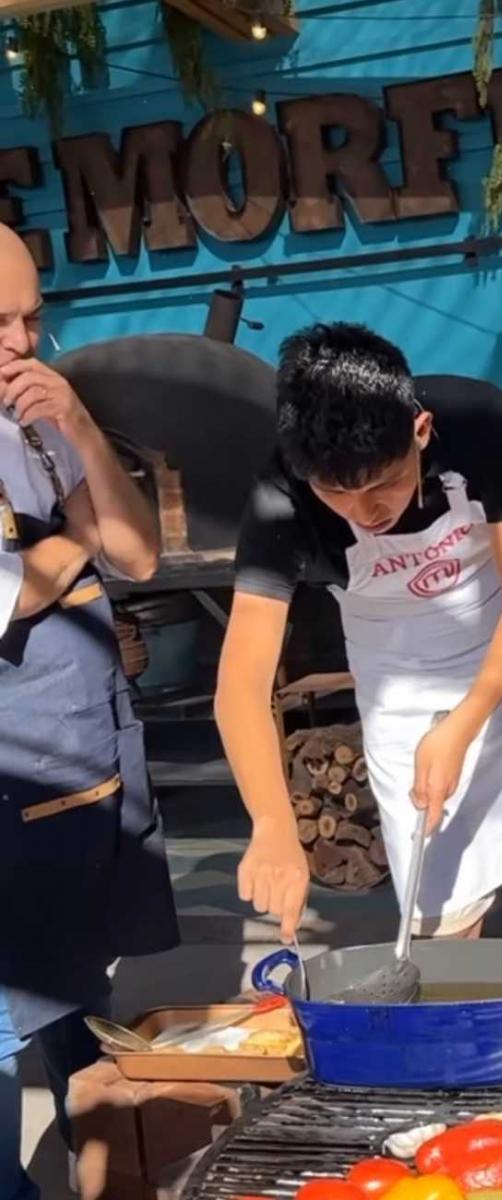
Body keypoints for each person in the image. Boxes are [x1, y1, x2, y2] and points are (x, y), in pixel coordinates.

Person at [216, 323, 502, 949]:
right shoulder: (278, 501)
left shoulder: (481, 421)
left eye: (384, 482)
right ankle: (468, 1046)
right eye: (337, 492)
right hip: (400, 695)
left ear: (419, 430)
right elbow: (241, 685)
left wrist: (467, 718)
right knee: (444, 917)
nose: (367, 511)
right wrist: (272, 824)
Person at [0, 227, 178, 1199]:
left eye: (32, 317)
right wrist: (69, 548)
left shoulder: (32, 419)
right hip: (10, 797)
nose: (23, 342)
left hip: (74, 781)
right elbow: (14, 595)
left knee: (86, 1039)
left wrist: (76, 426)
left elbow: (136, 552)